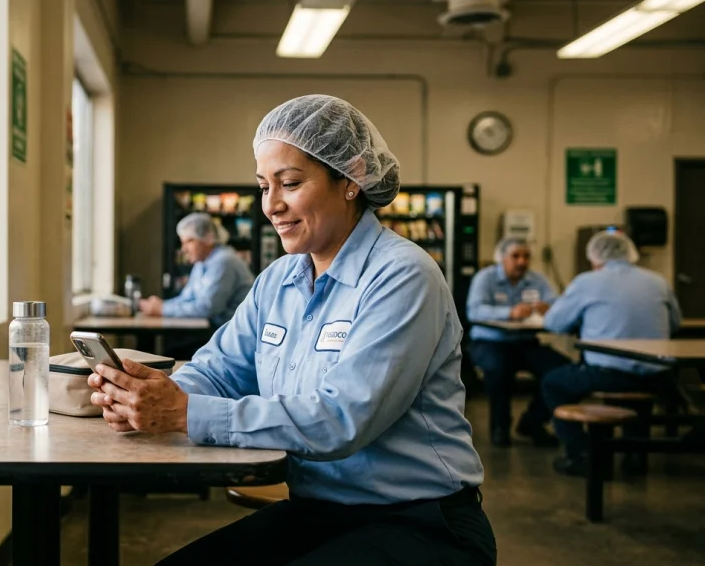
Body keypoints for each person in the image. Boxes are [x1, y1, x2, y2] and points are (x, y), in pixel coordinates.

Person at [88, 95, 495, 565]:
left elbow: (342, 419)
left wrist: (182, 414)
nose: (272, 205)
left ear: (350, 179)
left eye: (291, 183)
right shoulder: (279, 280)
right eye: (264, 186)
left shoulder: (403, 276)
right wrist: (154, 395)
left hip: (420, 524)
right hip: (319, 512)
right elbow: (220, 369)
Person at [541, 230, 682, 476]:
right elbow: (675, 323)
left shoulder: (587, 282)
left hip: (608, 374)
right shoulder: (658, 281)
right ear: (631, 253)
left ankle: (583, 454)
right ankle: (635, 455)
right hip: (659, 375)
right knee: (639, 388)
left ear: (595, 257)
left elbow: (554, 323)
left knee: (553, 383)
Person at [466, 237, 570, 448]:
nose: (521, 262)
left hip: (525, 342)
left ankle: (533, 421)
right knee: (498, 369)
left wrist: (549, 309)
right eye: (515, 256)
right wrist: (509, 312)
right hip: (490, 341)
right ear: (502, 259)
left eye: (526, 256)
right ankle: (499, 427)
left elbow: (557, 304)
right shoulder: (485, 278)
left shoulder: (537, 279)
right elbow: (474, 311)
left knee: (562, 369)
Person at [139, 212, 254, 358]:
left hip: (232, 340)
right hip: (214, 333)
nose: (184, 249)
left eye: (189, 241)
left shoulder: (224, 261)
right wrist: (161, 305)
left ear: (207, 238)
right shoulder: (202, 261)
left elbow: (207, 308)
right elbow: (186, 297)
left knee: (169, 355)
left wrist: (162, 309)